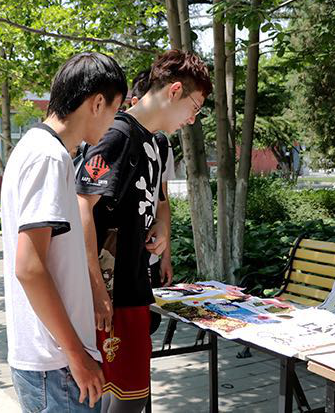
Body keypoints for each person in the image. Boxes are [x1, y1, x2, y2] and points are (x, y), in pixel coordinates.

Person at [76, 49, 212, 413]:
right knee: (126, 399)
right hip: (113, 294)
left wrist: (160, 228)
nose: (192, 119)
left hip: (134, 284)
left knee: (126, 395)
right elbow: (81, 204)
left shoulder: (154, 140)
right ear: (174, 91)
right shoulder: (117, 134)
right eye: (194, 107)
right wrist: (96, 289)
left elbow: (156, 200)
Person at [1, 52, 127, 412]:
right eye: (115, 110)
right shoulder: (49, 157)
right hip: (55, 365)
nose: (113, 123)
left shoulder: (34, 148)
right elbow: (29, 267)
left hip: (48, 360)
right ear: (97, 103)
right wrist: (77, 355)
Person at [129, 69, 176, 334]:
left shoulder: (161, 144)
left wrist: (166, 255)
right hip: (122, 265)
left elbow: (162, 201)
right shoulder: (119, 138)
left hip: (150, 257)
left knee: (149, 324)